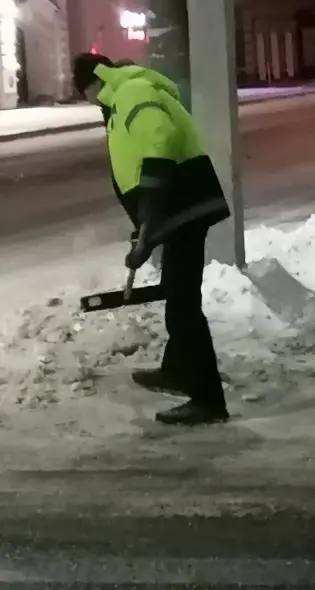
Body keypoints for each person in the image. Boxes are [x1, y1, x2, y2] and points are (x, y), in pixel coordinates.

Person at [72, 53, 231, 425]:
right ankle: (177, 370)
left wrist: (152, 208)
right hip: (177, 209)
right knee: (178, 292)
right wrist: (146, 223)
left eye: (85, 94)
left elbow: (160, 138)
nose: (90, 102)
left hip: (183, 205)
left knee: (184, 304)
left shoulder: (131, 92)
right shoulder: (124, 96)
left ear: (93, 83)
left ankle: (208, 400)